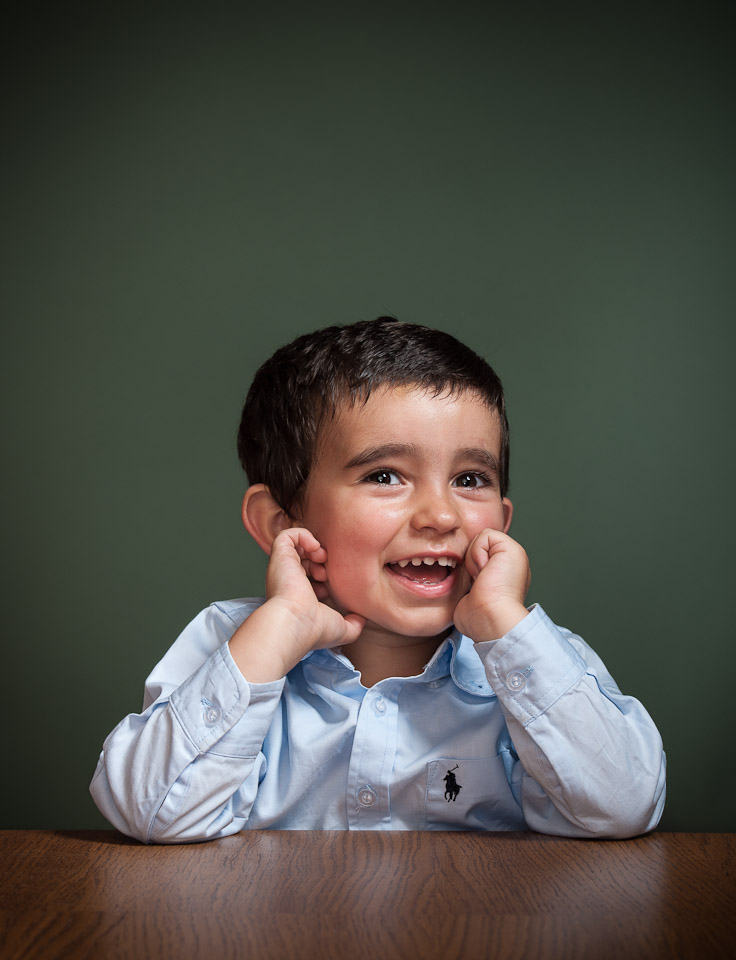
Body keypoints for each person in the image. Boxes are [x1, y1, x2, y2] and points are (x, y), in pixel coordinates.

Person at [90, 316, 666, 843]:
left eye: (470, 479)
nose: (442, 516)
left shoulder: (534, 662)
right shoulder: (235, 645)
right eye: (385, 475)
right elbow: (150, 812)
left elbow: (623, 807)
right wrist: (281, 626)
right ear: (281, 522)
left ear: (503, 525)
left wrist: (504, 628)